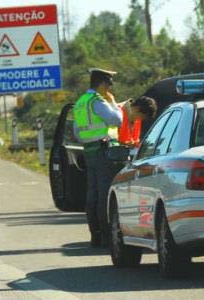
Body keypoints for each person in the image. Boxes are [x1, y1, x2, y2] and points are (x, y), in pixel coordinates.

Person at [73, 68, 123, 247]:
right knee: (105, 195)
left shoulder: (81, 102)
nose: (111, 87)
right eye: (110, 83)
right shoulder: (98, 101)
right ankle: (107, 237)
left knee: (92, 194)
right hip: (104, 151)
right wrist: (115, 104)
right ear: (102, 84)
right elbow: (116, 120)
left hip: (89, 150)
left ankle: (95, 235)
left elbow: (77, 133)